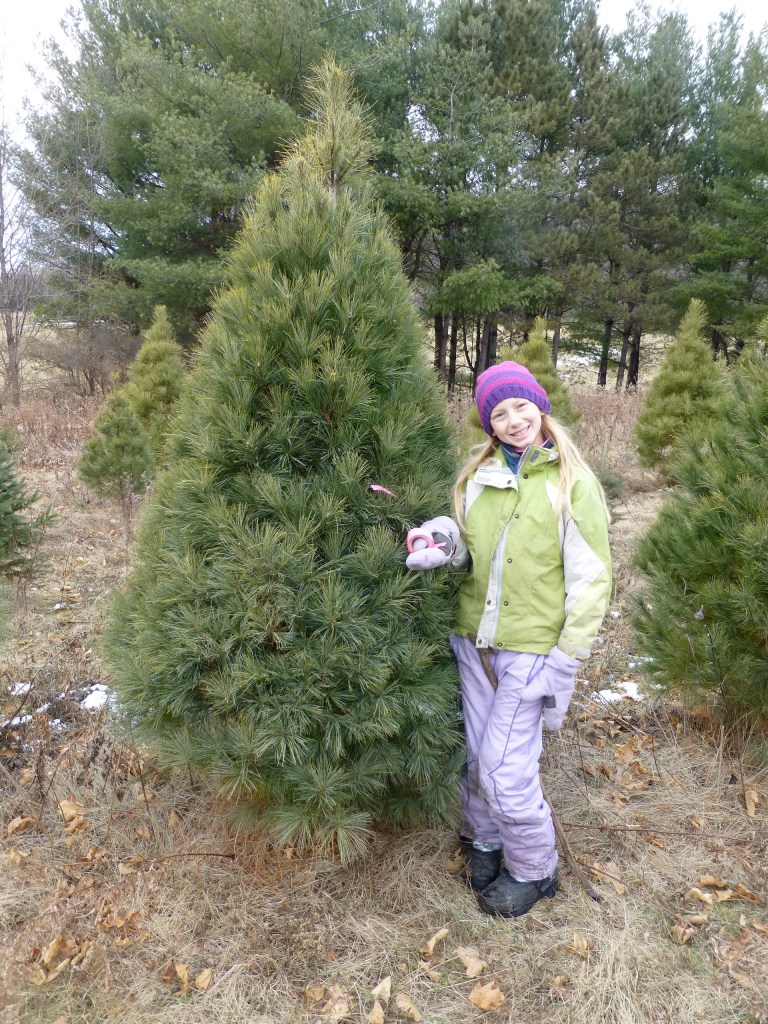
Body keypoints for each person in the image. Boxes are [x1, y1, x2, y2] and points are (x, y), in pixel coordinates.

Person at [406, 361, 612, 918]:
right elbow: (466, 541)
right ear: (488, 425)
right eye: (499, 412)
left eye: (520, 406)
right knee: (478, 754)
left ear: (539, 406)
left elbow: (592, 581)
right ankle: (485, 839)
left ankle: (534, 868)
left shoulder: (571, 483)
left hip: (532, 649)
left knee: (505, 767)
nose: (513, 419)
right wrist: (438, 540)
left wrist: (565, 662)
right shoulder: (480, 477)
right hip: (474, 642)